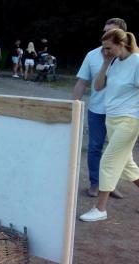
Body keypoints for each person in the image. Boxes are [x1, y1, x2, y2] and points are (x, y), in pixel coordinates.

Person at [79, 28, 139, 222]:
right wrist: (105, 63)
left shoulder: (137, 62)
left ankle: (100, 208)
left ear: (121, 44)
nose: (104, 51)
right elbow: (97, 87)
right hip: (112, 119)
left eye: (108, 48)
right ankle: (100, 207)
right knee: (127, 166)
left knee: (108, 161)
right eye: (103, 48)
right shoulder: (113, 62)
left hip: (129, 120)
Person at [73, 18, 128, 199]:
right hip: (97, 111)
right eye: (104, 31)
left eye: (110, 31)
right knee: (95, 147)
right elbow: (82, 82)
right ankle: (95, 183)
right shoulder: (92, 55)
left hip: (121, 113)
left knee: (117, 151)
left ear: (121, 36)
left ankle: (109, 185)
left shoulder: (131, 57)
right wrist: (72, 105)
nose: (105, 35)